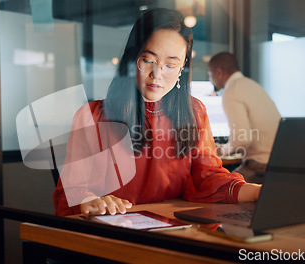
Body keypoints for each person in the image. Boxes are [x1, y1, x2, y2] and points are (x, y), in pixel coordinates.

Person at [53, 9, 261, 216]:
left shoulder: (194, 112)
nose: (157, 74)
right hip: (114, 233)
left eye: (170, 65)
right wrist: (92, 201)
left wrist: (257, 192)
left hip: (173, 229)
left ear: (182, 70)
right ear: (132, 60)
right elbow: (70, 192)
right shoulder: (92, 116)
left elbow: (208, 178)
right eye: (148, 60)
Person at [208, 52, 281, 183]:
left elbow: (241, 140)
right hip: (278, 164)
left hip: (260, 167)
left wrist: (221, 150)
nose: (210, 79)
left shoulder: (232, 91)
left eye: (210, 74)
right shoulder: (253, 85)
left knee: (219, 188)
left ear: (219, 72)